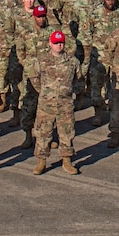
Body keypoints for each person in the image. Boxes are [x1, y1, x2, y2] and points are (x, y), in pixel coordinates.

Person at [31, 31, 83, 175]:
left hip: (65, 103)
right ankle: (41, 161)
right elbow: (34, 77)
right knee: (43, 133)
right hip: (46, 104)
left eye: (61, 43)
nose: (59, 45)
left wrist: (71, 94)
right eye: (56, 43)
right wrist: (44, 92)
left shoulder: (73, 62)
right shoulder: (41, 60)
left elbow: (79, 80)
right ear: (50, 44)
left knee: (67, 132)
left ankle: (67, 161)